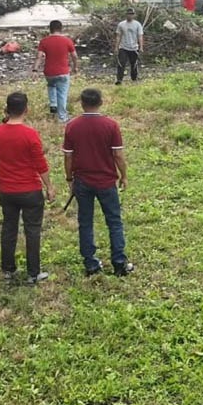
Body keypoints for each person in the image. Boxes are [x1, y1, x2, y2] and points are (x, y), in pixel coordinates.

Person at [63, 88, 134, 277]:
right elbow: (118, 155)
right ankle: (119, 263)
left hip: (82, 181)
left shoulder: (72, 126)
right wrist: (124, 175)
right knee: (114, 222)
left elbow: (68, 157)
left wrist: (69, 178)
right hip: (106, 181)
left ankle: (91, 264)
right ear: (101, 102)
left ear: (82, 103)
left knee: (85, 222)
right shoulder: (110, 125)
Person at [0, 92, 53, 284]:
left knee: (9, 228)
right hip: (30, 190)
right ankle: (33, 273)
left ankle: (8, 269)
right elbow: (40, 165)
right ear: (26, 109)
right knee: (32, 230)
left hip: (7, 190)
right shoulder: (30, 134)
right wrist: (49, 186)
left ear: (6, 109)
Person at [33, 19, 78, 123]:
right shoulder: (67, 41)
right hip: (63, 72)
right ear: (61, 29)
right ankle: (62, 117)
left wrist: (35, 70)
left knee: (51, 85)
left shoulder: (44, 41)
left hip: (49, 72)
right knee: (62, 93)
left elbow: (39, 56)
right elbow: (74, 56)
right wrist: (75, 67)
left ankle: (53, 105)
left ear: (50, 29)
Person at [114, 9, 145, 85]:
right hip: (123, 47)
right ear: (126, 15)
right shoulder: (121, 24)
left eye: (131, 14)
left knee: (134, 64)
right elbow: (118, 36)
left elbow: (140, 36)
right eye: (128, 14)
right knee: (121, 63)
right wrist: (116, 47)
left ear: (134, 15)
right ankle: (119, 80)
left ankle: (134, 78)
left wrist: (141, 47)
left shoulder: (137, 24)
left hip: (134, 47)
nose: (130, 15)